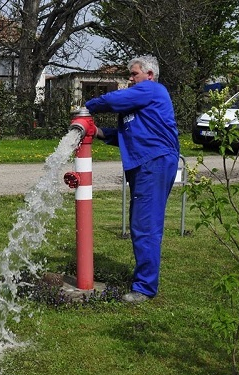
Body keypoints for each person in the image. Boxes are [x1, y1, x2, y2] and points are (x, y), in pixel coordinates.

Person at [85, 55, 180, 303]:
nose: (130, 78)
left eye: (134, 73)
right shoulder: (141, 104)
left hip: (154, 162)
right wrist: (99, 132)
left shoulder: (152, 89)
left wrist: (87, 106)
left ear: (149, 75)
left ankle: (145, 288)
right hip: (147, 163)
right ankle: (144, 282)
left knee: (145, 225)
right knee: (140, 223)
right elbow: (129, 134)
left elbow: (113, 99)